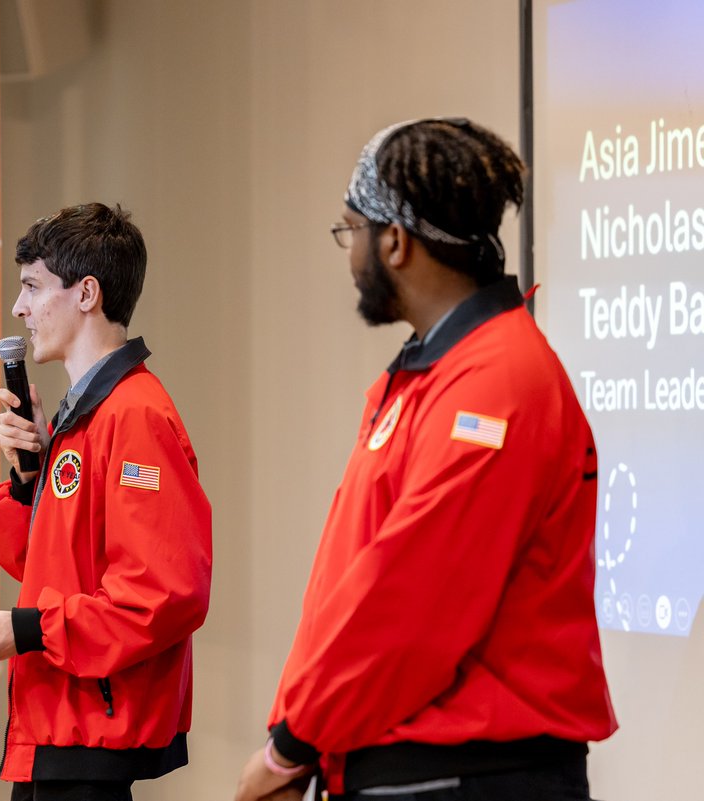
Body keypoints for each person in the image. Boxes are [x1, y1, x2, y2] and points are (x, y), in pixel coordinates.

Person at [234, 118, 617, 801]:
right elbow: (349, 588)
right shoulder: (430, 375)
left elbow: (410, 599)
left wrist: (291, 745)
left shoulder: (496, 380)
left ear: (395, 241)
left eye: (350, 230)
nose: (349, 251)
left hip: (467, 775)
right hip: (407, 762)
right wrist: (295, 733)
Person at [0, 202, 213, 801]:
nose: (19, 309)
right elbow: (47, 565)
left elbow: (163, 592)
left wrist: (28, 628)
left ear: (86, 292)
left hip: (90, 720)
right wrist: (27, 478)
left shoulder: (135, 415)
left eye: (33, 287)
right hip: (58, 716)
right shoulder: (84, 415)